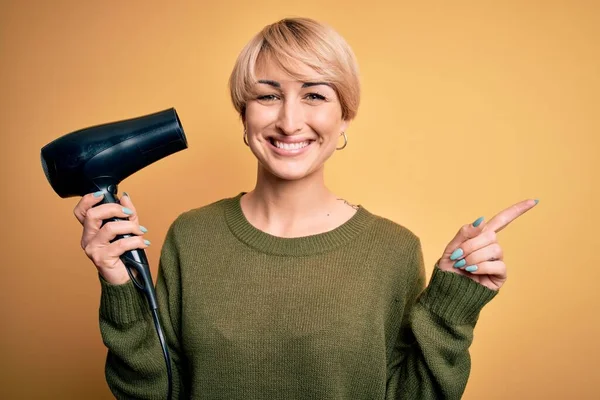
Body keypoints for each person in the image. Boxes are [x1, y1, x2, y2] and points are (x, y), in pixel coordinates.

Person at [73, 17, 537, 400]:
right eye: (268, 95)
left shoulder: (392, 250)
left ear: (344, 118)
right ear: (244, 115)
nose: (289, 121)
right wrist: (119, 284)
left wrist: (451, 306)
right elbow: (152, 394)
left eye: (314, 95)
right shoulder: (191, 237)